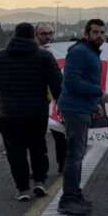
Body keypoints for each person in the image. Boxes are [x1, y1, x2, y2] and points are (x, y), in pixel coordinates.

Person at [0, 22, 63, 201]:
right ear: (32, 36)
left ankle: (22, 189)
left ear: (15, 35)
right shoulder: (44, 57)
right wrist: (61, 106)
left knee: (16, 151)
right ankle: (40, 181)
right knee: (38, 146)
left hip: (10, 113)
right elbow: (57, 83)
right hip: (37, 111)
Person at [55, 18, 108, 215]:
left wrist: (94, 104)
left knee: (78, 155)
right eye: (95, 32)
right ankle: (67, 200)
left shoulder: (89, 52)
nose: (100, 36)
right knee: (74, 157)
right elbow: (71, 81)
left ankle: (75, 194)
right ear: (86, 34)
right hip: (75, 110)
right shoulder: (80, 52)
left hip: (83, 108)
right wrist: (98, 93)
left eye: (102, 32)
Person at [35, 22, 66, 172]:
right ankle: (40, 169)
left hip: (54, 99)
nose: (48, 37)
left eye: (50, 33)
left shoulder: (57, 51)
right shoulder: (32, 53)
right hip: (37, 100)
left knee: (59, 133)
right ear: (36, 36)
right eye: (44, 34)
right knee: (37, 138)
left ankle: (63, 163)